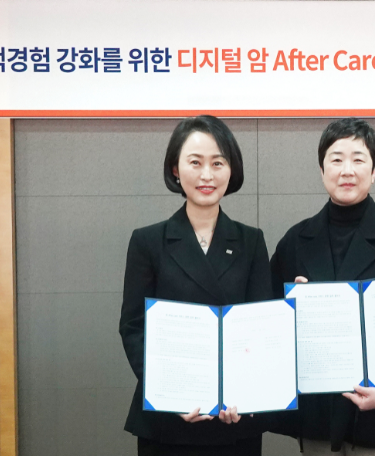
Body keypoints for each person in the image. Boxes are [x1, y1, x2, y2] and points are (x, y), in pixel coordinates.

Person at [270, 118, 375, 455]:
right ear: (322, 169)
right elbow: (268, 324)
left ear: (374, 171)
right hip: (317, 413)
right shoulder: (295, 241)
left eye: (358, 159)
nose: (347, 170)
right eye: (336, 159)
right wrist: (291, 308)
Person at [119, 115, 273, 456]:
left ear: (231, 170)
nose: (207, 175)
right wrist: (168, 393)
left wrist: (246, 393)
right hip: (168, 419)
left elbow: (260, 328)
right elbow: (133, 327)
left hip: (234, 418)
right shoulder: (148, 241)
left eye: (218, 163)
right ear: (175, 169)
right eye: (195, 162)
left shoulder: (251, 241)